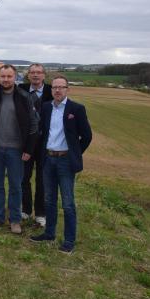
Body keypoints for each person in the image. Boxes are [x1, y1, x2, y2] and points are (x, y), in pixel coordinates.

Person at [30, 74, 92, 253]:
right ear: (51, 90)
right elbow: (42, 132)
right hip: (48, 159)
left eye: (61, 87)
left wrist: (74, 154)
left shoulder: (77, 109)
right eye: (54, 87)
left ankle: (69, 241)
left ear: (67, 89)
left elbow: (87, 136)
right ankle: (49, 233)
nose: (57, 90)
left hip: (65, 161)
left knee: (67, 203)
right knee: (49, 200)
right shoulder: (46, 107)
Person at [0, 64, 38, 234]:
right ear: (0, 78)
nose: (5, 79)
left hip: (16, 150)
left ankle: (15, 220)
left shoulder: (24, 97)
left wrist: (29, 149)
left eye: (9, 76)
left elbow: (33, 125)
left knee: (15, 186)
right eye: (3, 76)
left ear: (15, 77)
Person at [19, 63, 53, 227]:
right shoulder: (21, 89)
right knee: (23, 178)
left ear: (44, 75)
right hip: (25, 143)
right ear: (28, 75)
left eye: (38, 72)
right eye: (32, 72)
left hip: (45, 144)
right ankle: (25, 209)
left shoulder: (51, 91)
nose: (35, 75)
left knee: (42, 180)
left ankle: (41, 213)